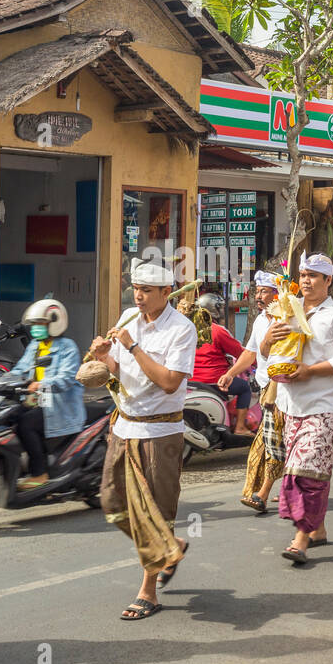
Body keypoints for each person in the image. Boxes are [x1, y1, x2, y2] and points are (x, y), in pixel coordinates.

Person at [87, 260, 196, 620]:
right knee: (111, 502)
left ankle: (148, 591)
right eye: (136, 288)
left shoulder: (182, 329)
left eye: (147, 290)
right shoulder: (127, 317)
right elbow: (119, 372)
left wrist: (132, 347)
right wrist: (105, 357)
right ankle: (170, 547)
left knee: (156, 511)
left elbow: (168, 382)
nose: (139, 296)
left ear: (167, 293)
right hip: (124, 425)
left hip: (160, 431)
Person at [262, 253, 333, 564]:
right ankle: (317, 529)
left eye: (314, 276)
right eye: (303, 274)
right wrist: (268, 338)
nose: (306, 280)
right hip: (290, 404)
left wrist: (311, 371)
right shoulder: (286, 312)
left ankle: (300, 539)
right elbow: (265, 352)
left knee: (305, 472)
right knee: (315, 470)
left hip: (326, 404)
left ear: (328, 281)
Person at [11, 299, 85, 490]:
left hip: (59, 406)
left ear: (54, 323)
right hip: (38, 402)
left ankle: (39, 473)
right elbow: (20, 369)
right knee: (10, 417)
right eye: (34, 324)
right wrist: (1, 380)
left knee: (26, 424)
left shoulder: (68, 347)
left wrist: (41, 384)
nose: (36, 328)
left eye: (40, 324)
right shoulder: (35, 346)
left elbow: (66, 379)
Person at [232, 272, 284, 513]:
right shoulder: (261, 320)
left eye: (264, 291)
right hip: (266, 388)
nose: (259, 296)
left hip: (284, 387)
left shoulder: (287, 317)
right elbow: (251, 352)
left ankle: (262, 493)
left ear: (277, 293)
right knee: (273, 440)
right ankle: (286, 490)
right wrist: (231, 373)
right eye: (258, 291)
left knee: (271, 442)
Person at [190, 293, 252, 436]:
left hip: (192, 380)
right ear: (214, 310)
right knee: (244, 388)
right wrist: (255, 360)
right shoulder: (217, 331)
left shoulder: (190, 328)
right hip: (214, 380)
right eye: (221, 307)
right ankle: (240, 427)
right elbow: (240, 353)